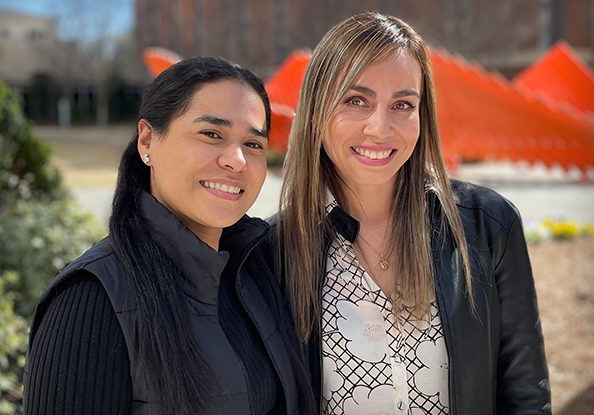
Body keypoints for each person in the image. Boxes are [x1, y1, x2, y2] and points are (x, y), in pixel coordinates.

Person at [274, 12, 551, 415]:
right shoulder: (273, 251)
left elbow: (526, 395)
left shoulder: (488, 226)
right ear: (316, 112)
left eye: (403, 104)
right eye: (356, 101)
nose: (380, 128)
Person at [23, 57, 315, 415]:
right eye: (211, 134)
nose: (237, 160)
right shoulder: (93, 299)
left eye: (253, 144)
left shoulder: (256, 272)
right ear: (147, 140)